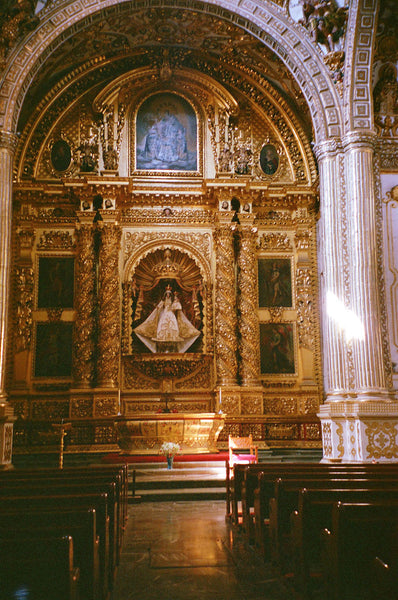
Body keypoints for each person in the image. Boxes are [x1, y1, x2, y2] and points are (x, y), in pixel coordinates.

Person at [134, 284, 200, 353]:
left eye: (169, 294)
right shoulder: (163, 301)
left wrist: (176, 301)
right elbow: (159, 307)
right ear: (165, 295)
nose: (168, 295)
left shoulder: (172, 301)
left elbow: (176, 307)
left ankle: (172, 337)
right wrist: (157, 309)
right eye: (167, 294)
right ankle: (163, 337)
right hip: (165, 313)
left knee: (172, 324)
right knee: (163, 324)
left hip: (170, 313)